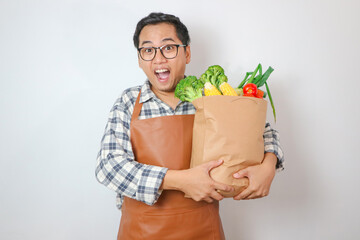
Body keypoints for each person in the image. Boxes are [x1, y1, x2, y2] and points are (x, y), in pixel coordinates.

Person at [95, 12, 284, 240]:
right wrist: (181, 181)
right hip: (141, 231)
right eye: (148, 50)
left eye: (168, 48)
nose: (158, 59)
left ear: (187, 52)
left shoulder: (211, 98)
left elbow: (262, 131)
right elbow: (108, 165)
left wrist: (269, 165)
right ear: (139, 59)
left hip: (204, 228)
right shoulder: (128, 102)